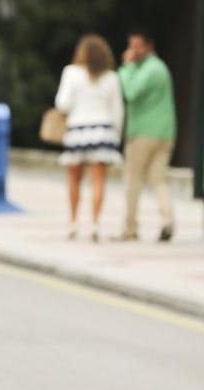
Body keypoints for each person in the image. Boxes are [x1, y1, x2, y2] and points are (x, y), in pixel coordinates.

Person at [54, 34, 124, 242]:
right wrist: (116, 136)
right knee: (98, 181)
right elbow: (117, 111)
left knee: (74, 179)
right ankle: (95, 223)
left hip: (77, 129)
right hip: (103, 130)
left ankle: (73, 222)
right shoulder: (112, 77)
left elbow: (62, 104)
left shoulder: (71, 73)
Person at [115, 28, 176, 242]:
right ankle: (168, 220)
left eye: (137, 46)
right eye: (131, 45)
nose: (133, 50)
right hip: (165, 132)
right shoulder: (161, 68)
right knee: (159, 179)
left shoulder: (149, 70)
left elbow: (130, 92)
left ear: (149, 46)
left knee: (133, 180)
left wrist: (126, 67)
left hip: (143, 133)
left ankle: (130, 229)